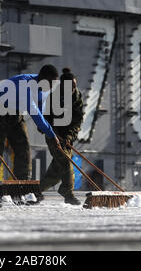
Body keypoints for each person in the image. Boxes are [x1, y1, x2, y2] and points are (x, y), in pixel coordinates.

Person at [0, 65, 61, 207]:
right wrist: (50, 132)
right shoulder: (26, 86)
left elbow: (40, 105)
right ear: (43, 79)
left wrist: (42, 126)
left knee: (23, 148)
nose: (51, 87)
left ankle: (22, 189)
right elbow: (34, 111)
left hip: (15, 113)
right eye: (51, 83)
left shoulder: (44, 88)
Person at [40, 68, 84, 205]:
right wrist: (54, 134)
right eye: (70, 86)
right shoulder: (53, 97)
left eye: (74, 86)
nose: (73, 89)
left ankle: (36, 190)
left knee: (57, 170)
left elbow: (77, 120)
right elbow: (45, 118)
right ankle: (68, 193)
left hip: (67, 137)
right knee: (65, 161)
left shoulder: (76, 97)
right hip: (53, 135)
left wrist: (70, 136)